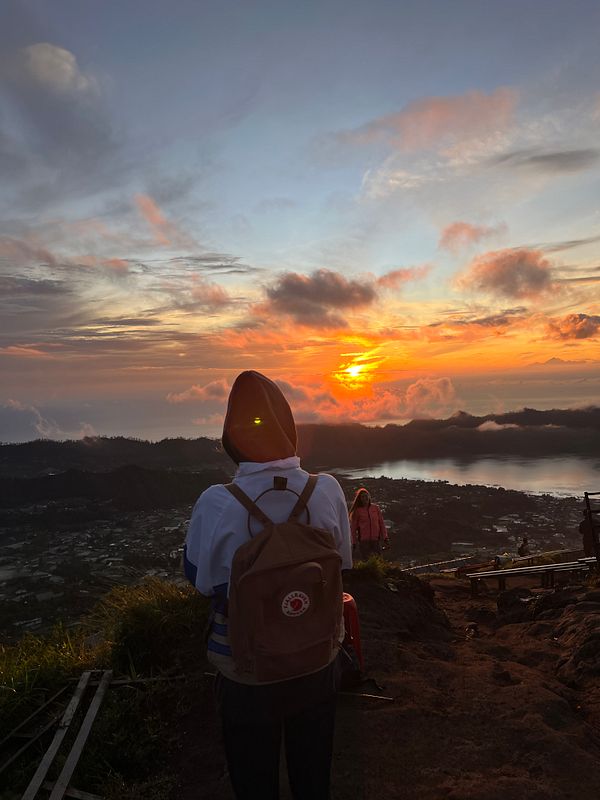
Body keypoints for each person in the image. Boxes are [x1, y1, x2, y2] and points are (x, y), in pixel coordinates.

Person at [183, 370, 352, 800]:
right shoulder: (326, 490)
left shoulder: (215, 502)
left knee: (253, 778)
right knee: (313, 773)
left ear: (230, 435)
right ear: (290, 428)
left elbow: (199, 581)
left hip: (247, 671)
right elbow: (343, 564)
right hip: (317, 659)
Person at [349, 487, 389, 560]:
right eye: (363, 496)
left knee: (379, 561)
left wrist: (385, 537)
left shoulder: (375, 508)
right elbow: (353, 528)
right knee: (367, 561)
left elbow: (381, 524)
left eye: (366, 495)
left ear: (369, 496)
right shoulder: (357, 511)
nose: (365, 498)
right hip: (364, 542)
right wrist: (354, 542)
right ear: (360, 499)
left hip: (376, 540)